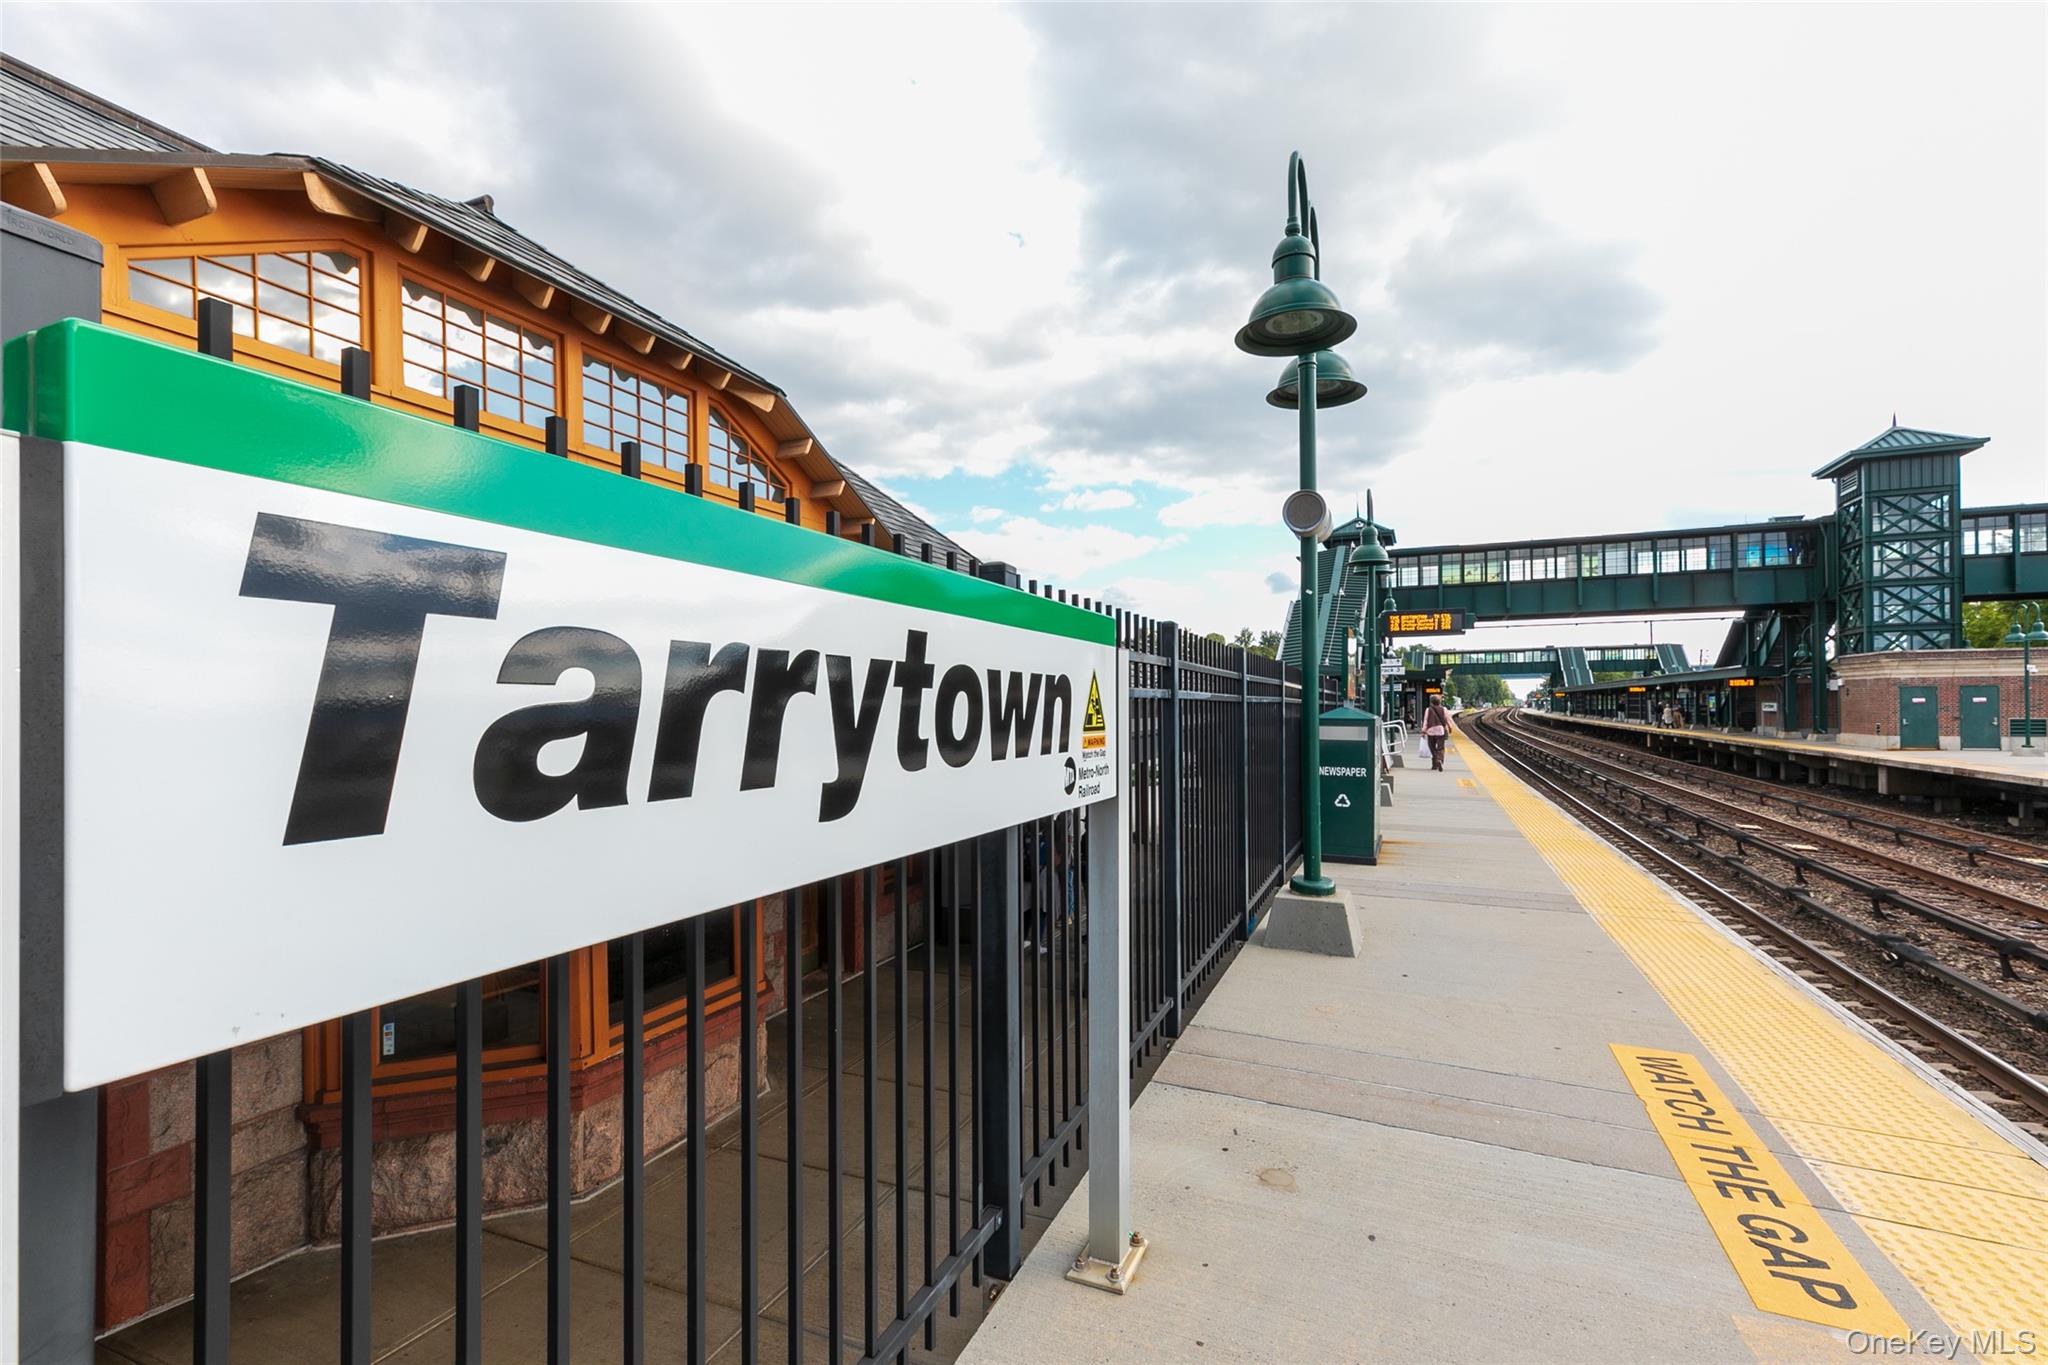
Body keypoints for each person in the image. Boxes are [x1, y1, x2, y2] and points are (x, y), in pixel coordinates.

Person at [1422, 695, 1452, 771]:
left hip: (1430, 731)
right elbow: (1448, 719)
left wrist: (1423, 731)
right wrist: (1450, 727)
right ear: (1440, 702)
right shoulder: (1444, 709)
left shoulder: (1428, 710)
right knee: (1440, 748)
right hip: (1440, 731)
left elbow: (1425, 720)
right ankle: (1439, 760)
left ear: (1431, 702)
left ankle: (1434, 764)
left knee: (1432, 747)